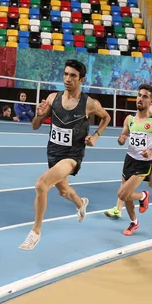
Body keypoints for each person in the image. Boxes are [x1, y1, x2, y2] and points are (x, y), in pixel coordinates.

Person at [19, 59, 111, 250]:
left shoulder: (90, 104)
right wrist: (39, 114)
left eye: (73, 76)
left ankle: (35, 232)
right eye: (66, 74)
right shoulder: (53, 98)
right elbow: (35, 126)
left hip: (72, 155)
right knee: (63, 191)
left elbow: (106, 117)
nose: (68, 79)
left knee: (41, 184)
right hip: (53, 152)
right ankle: (80, 202)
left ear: (81, 79)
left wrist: (96, 135)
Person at [104, 80, 152, 219]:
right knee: (124, 189)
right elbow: (126, 133)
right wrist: (122, 138)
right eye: (139, 95)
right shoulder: (132, 116)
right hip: (133, 155)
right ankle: (120, 210)